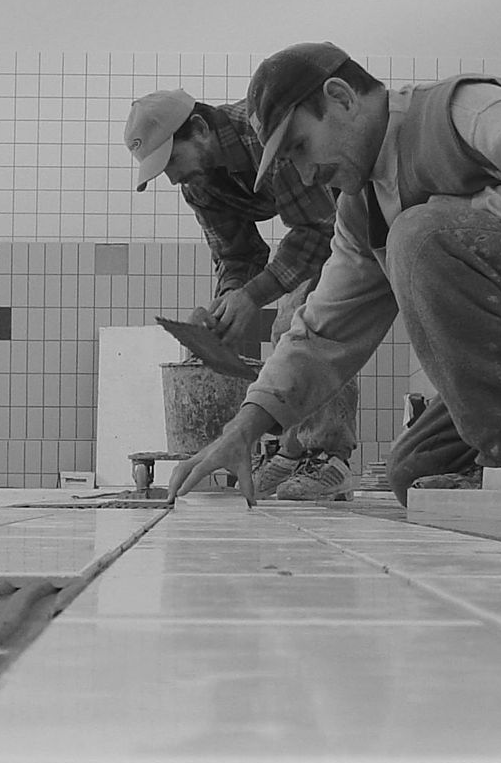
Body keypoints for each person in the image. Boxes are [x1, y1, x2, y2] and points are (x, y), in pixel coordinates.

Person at [167, 42, 501, 506]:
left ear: (340, 98)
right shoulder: (360, 209)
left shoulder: (459, 110)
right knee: (418, 472)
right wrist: (244, 429)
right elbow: (323, 331)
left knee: (420, 234)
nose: (306, 172)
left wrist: (454, 223)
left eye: (301, 146)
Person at [124, 88, 361, 500]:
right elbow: (238, 254)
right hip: (323, 222)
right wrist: (228, 300)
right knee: (287, 326)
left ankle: (329, 456)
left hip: (357, 206)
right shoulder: (199, 184)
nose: (175, 178)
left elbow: (319, 229)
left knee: (300, 315)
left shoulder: (262, 133)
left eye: (173, 161)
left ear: (198, 129)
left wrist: (253, 296)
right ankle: (292, 450)